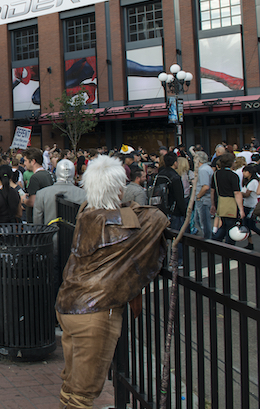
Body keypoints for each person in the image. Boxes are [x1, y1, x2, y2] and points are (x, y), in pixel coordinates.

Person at [55, 156, 167, 409]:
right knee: (83, 394)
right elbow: (157, 217)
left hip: (68, 305)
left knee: (71, 383)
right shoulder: (120, 223)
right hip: (95, 312)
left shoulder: (86, 213)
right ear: (119, 188)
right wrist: (126, 204)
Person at [34, 160, 87, 224]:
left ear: (56, 173)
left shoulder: (42, 194)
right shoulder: (84, 195)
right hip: (74, 233)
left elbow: (37, 223)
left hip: (50, 232)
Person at [210, 153, 243, 243]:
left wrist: (213, 204)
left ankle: (214, 242)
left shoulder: (216, 174)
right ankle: (229, 249)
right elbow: (237, 193)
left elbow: (212, 190)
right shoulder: (233, 175)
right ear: (232, 162)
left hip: (220, 202)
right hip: (231, 204)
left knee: (224, 225)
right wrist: (241, 209)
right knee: (231, 228)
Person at [158, 152, 187, 232]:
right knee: (178, 235)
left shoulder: (160, 175)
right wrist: (184, 211)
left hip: (161, 209)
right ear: (175, 163)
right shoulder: (175, 177)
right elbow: (179, 196)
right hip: (174, 210)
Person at [23, 147, 53, 223]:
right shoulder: (50, 174)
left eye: (26, 161)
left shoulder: (35, 178)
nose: (24, 163)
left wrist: (23, 200)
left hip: (37, 221)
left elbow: (32, 202)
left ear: (33, 161)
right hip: (49, 217)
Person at [192, 151, 214, 240]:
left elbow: (205, 186)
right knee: (198, 219)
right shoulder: (207, 168)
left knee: (204, 221)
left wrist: (198, 196)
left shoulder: (203, 170)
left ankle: (208, 240)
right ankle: (209, 237)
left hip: (203, 199)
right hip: (203, 198)